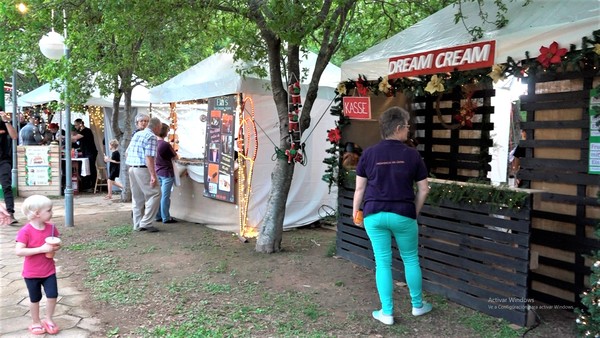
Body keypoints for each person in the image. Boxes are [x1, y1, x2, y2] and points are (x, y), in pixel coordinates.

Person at [352, 106, 432, 326]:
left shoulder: (368, 153)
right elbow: (424, 189)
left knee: (382, 263)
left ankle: (386, 312)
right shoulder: (412, 154)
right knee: (410, 259)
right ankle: (417, 306)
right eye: (407, 126)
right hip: (403, 214)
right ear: (398, 128)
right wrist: (412, 213)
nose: (409, 130)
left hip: (373, 215)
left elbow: (360, 189)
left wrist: (355, 212)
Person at [15, 195, 62, 335]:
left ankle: (48, 319)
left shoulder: (52, 228)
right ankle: (35, 321)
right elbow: (18, 251)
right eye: (49, 210)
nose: (51, 213)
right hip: (32, 273)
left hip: (49, 270)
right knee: (35, 298)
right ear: (36, 214)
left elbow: (57, 242)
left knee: (52, 295)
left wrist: (55, 248)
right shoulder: (25, 231)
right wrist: (41, 249)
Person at [125, 117, 162, 232]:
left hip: (132, 168)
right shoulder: (151, 137)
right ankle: (146, 222)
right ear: (156, 127)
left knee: (137, 198)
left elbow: (127, 152)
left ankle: (137, 224)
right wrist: (153, 175)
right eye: (160, 128)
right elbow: (149, 157)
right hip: (142, 169)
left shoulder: (137, 134)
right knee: (155, 193)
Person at [154, 123, 178, 224]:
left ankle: (158, 215)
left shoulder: (154, 143)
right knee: (165, 196)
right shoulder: (165, 144)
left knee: (159, 195)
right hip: (167, 172)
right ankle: (166, 217)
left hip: (157, 170)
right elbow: (175, 157)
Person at [0, 109, 19, 224]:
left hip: (3, 160)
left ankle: (10, 213)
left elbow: (14, 136)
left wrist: (6, 121)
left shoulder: (4, 124)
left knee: (6, 186)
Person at [71, 119, 98, 191]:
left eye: (76, 125)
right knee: (85, 167)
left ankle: (92, 185)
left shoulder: (86, 131)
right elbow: (74, 140)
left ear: (80, 124)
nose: (75, 127)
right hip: (85, 152)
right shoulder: (81, 132)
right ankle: (86, 184)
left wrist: (65, 137)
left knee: (91, 168)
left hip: (90, 152)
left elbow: (75, 138)